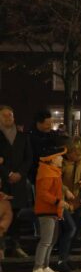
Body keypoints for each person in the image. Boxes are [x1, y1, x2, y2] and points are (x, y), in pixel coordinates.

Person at [31, 146, 69, 272]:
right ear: (52, 159)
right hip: (46, 210)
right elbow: (42, 194)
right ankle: (37, 268)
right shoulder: (46, 173)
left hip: (52, 210)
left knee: (51, 240)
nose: (62, 159)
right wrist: (58, 202)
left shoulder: (52, 171)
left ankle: (45, 266)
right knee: (46, 241)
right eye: (60, 156)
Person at [0, 105, 33, 258]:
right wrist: (8, 174)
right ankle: (2, 245)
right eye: (5, 115)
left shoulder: (23, 136)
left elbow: (28, 158)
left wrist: (20, 173)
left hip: (19, 181)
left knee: (17, 214)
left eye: (10, 115)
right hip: (3, 182)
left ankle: (15, 244)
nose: (8, 118)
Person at [54, 136, 81, 272]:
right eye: (77, 153)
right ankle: (61, 260)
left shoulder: (80, 161)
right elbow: (55, 180)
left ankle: (65, 258)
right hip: (62, 201)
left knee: (72, 231)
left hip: (75, 200)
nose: (78, 156)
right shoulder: (61, 161)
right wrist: (66, 190)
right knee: (70, 228)